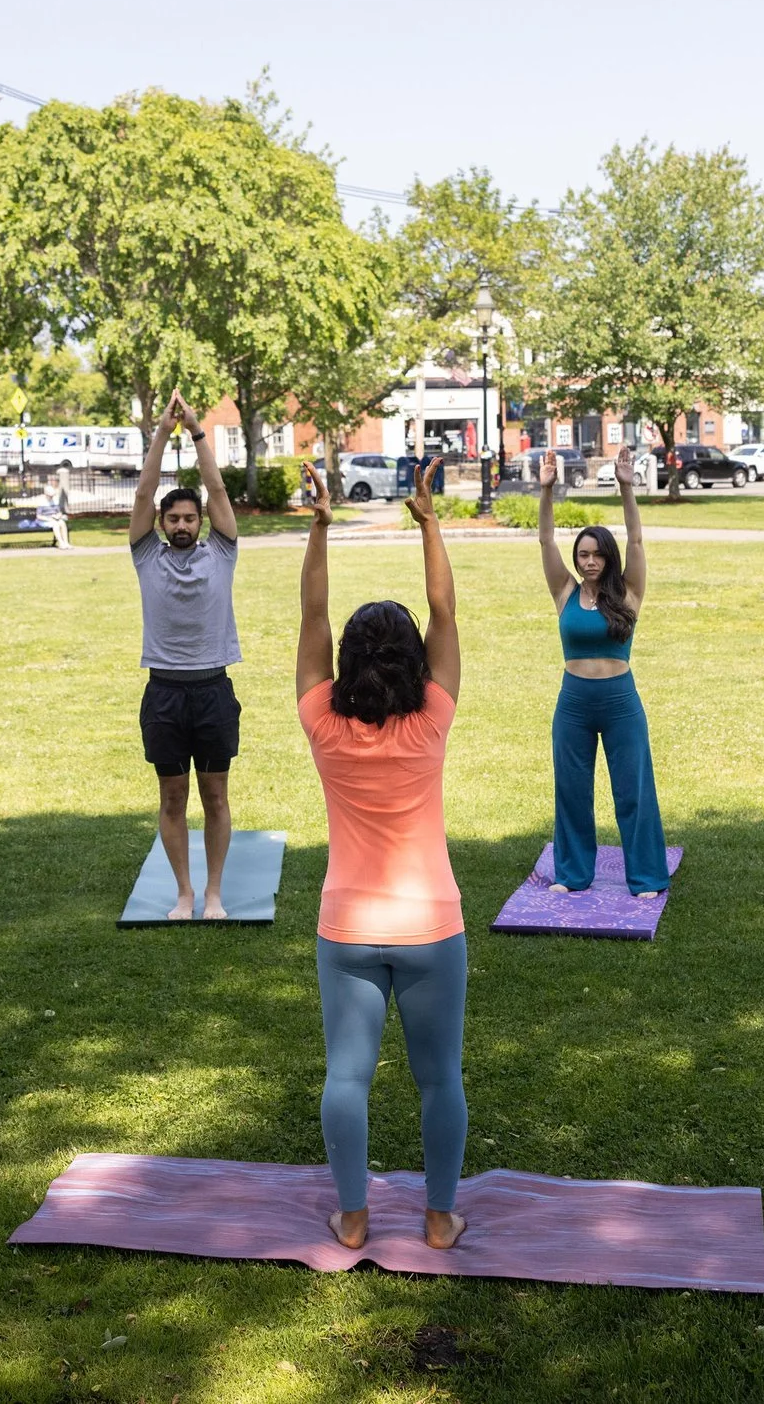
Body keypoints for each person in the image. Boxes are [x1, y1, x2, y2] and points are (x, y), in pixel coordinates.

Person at [295, 458, 467, 1252]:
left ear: (349, 661)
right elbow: (443, 607)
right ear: (412, 662)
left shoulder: (323, 724)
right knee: (440, 1080)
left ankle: (355, 1218)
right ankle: (438, 1221)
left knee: (346, 1078)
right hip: (432, 924)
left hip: (349, 925)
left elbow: (312, 613)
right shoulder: (431, 716)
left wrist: (321, 524)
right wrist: (429, 521)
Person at [126, 391, 243, 920]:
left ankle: (214, 893)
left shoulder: (222, 550)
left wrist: (196, 431)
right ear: (161, 522)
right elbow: (146, 487)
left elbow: (216, 486)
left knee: (215, 797)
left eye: (188, 518)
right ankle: (184, 893)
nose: (180, 525)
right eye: (172, 518)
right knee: (173, 798)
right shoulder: (145, 553)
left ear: (200, 522)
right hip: (165, 692)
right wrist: (160, 433)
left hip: (214, 690)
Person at [535, 457, 667, 897]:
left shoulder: (629, 592)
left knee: (633, 791)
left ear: (608, 557)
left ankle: (646, 876)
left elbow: (638, 539)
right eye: (583, 555)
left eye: (596, 554)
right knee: (572, 791)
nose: (589, 561)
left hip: (620, 702)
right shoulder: (565, 591)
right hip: (572, 703)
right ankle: (572, 874)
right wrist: (547, 491)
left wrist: (627, 488)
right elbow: (545, 540)